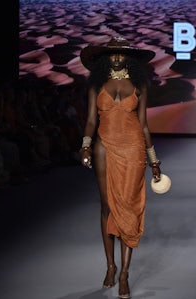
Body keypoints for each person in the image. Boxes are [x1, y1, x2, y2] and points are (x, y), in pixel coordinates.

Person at [79, 36, 161, 299]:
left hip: (134, 148)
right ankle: (110, 265)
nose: (116, 58)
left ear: (129, 58)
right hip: (104, 147)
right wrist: (85, 145)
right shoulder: (96, 84)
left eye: (121, 54)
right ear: (105, 57)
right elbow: (91, 120)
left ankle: (125, 273)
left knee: (129, 206)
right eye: (112, 54)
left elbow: (145, 125)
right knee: (107, 205)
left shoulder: (139, 85)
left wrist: (154, 161)